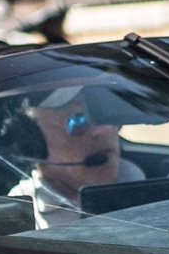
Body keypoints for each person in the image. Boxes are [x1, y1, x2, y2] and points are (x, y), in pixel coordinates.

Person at [8, 84, 144, 224]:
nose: (105, 128)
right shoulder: (17, 215)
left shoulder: (132, 176)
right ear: (32, 143)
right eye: (78, 121)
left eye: (104, 115)